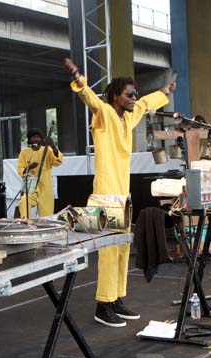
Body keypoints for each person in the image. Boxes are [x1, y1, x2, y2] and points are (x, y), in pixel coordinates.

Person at [65, 57, 176, 327]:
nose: (134, 98)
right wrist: (79, 79)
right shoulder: (103, 114)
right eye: (129, 94)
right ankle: (103, 305)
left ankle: (116, 299)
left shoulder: (131, 115)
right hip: (105, 195)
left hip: (122, 195)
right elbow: (90, 98)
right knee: (108, 251)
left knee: (122, 249)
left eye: (135, 94)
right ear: (115, 95)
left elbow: (147, 104)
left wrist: (164, 92)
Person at [17, 128, 63, 218]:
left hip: (45, 184)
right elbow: (20, 169)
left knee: (46, 214)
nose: (36, 139)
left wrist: (53, 146)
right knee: (24, 201)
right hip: (30, 183)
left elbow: (58, 162)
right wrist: (29, 167)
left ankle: (45, 229)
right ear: (30, 140)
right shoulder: (24, 152)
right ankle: (26, 223)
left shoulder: (47, 150)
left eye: (38, 137)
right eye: (34, 137)